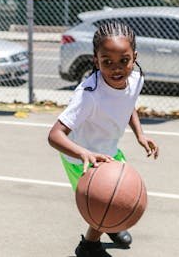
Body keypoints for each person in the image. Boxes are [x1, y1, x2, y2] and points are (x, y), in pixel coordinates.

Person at [47, 21, 159, 257]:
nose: (116, 68)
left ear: (134, 57)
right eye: (107, 62)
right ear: (96, 61)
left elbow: (127, 104)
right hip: (81, 157)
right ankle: (88, 246)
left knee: (118, 197)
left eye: (123, 60)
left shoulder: (136, 79)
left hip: (107, 150)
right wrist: (83, 153)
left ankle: (112, 225)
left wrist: (140, 134)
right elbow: (54, 135)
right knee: (106, 199)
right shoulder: (88, 95)